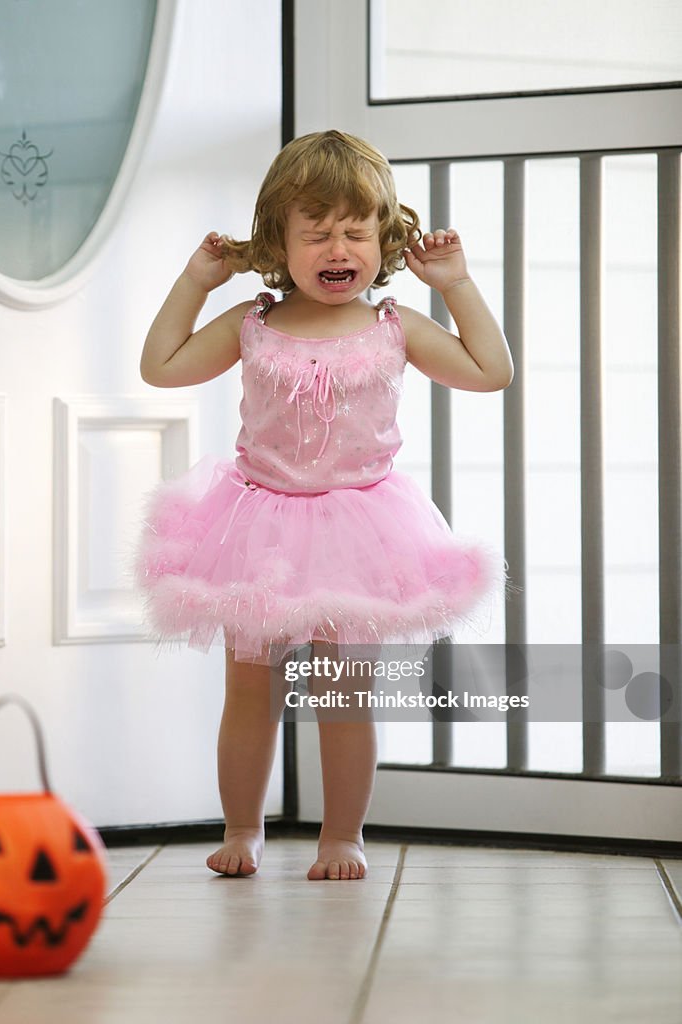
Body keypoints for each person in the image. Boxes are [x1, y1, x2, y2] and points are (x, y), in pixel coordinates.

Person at [137, 130, 513, 881]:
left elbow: (489, 371)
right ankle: (241, 827)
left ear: (386, 240)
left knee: (343, 693)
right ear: (278, 239)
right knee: (250, 687)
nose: (337, 246)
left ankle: (343, 836)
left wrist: (456, 286)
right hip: (258, 526)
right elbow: (160, 367)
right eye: (315, 232)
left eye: (355, 230)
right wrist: (195, 281)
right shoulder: (254, 321)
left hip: (359, 532)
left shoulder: (392, 326)